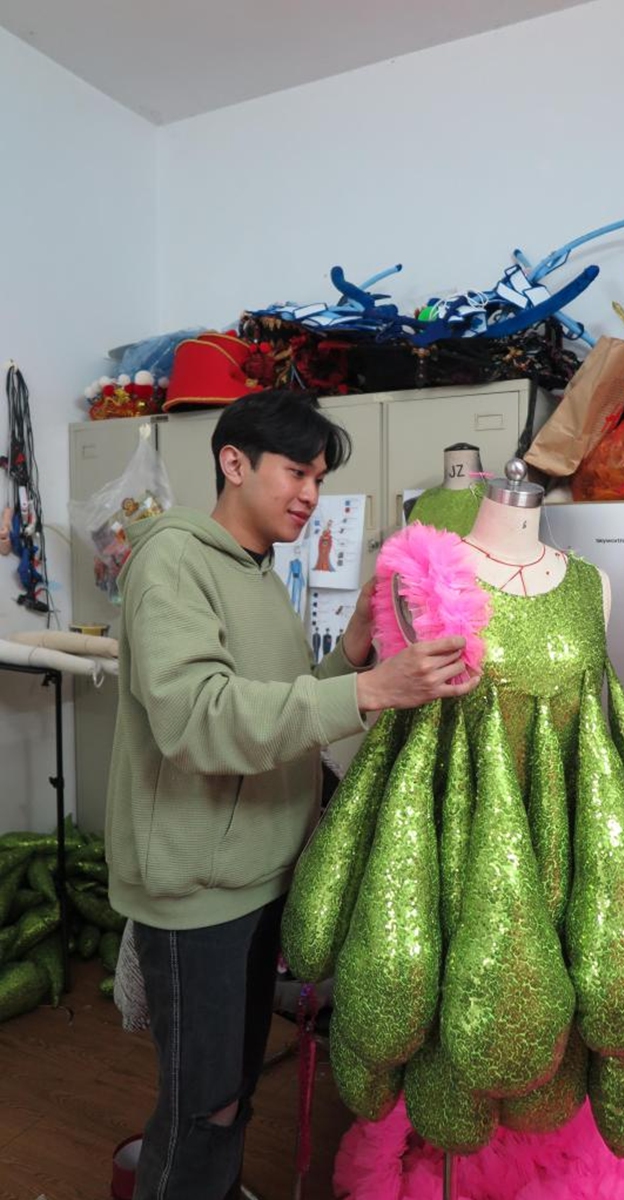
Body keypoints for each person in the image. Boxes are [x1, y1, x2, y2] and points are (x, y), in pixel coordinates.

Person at [105, 389, 478, 1200]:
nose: (311, 493)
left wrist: (350, 655)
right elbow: (199, 719)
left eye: (319, 476)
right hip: (196, 891)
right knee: (202, 1106)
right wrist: (368, 692)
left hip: (252, 878)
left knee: (232, 1092)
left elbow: (282, 704)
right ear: (232, 463)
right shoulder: (172, 559)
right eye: (295, 471)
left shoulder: (258, 572)